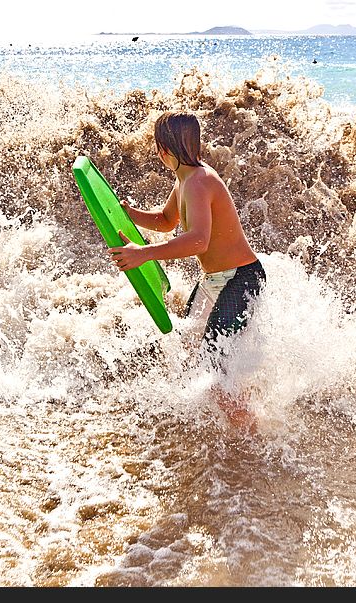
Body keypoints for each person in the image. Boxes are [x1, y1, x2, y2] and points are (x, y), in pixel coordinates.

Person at [107, 111, 266, 425]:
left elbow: (197, 242)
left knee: (212, 360)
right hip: (218, 278)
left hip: (241, 279)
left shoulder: (199, 183)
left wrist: (144, 254)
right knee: (191, 344)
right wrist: (130, 214)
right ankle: (235, 411)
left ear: (164, 149)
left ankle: (249, 434)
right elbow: (167, 222)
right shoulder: (186, 181)